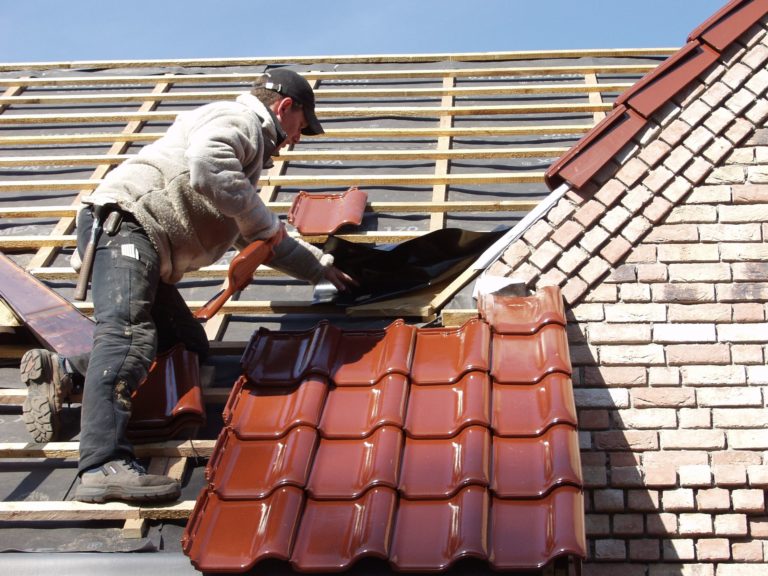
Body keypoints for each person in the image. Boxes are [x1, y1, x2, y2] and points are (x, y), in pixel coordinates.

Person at [19, 68, 357, 504]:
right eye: (300, 128)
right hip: (126, 228)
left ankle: (62, 371)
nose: (295, 139)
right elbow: (208, 168)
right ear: (284, 107)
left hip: (138, 241)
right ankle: (101, 465)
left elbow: (260, 238)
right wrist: (266, 224)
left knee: (185, 347)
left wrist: (320, 269)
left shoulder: (242, 169)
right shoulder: (239, 122)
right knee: (128, 338)